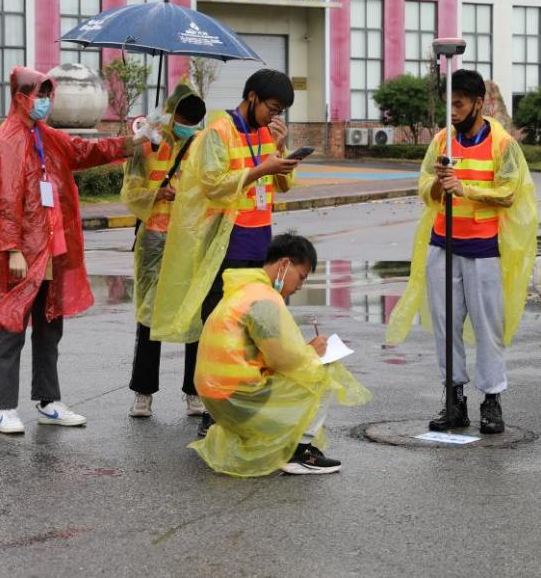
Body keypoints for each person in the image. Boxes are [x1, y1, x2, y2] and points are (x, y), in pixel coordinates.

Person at [0, 66, 144, 435]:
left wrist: (130, 141)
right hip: (23, 251)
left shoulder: (47, 137)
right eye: (39, 94)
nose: (44, 101)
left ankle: (48, 400)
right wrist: (12, 249)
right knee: (12, 324)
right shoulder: (3, 142)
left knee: (49, 323)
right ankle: (5, 407)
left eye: (47, 95)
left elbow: (85, 150)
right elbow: (3, 203)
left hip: (53, 248)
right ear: (20, 97)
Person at [387, 69, 539, 434]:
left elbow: (509, 192)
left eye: (459, 104)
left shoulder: (502, 144)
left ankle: (491, 400)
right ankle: (454, 401)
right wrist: (439, 186)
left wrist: (464, 188)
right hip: (444, 245)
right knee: (445, 326)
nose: (452, 111)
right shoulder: (442, 140)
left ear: (478, 103)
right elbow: (424, 183)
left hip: (484, 249)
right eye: (448, 104)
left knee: (489, 328)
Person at [151, 69, 301, 438]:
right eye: (272, 107)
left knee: (252, 332)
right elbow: (213, 186)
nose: (274, 116)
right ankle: (211, 410)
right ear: (251, 96)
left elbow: (282, 184)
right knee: (219, 330)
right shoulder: (218, 132)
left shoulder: (268, 134)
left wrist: (280, 154)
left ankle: (244, 406)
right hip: (226, 244)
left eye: (280, 111)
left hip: (260, 243)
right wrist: (259, 169)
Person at [189, 234, 370, 476]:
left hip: (214, 397)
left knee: (309, 365)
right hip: (237, 398)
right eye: (301, 277)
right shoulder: (264, 299)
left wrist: (304, 352)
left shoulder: (244, 289)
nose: (299, 286)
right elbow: (282, 360)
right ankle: (298, 451)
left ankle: (277, 442)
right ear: (284, 264)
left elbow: (268, 352)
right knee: (325, 370)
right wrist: (312, 353)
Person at [121, 80, 208, 418]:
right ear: (173, 117)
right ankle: (143, 392)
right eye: (185, 121)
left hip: (190, 239)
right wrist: (158, 194)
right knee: (149, 316)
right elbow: (130, 192)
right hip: (155, 240)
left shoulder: (202, 146)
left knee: (194, 314)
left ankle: (194, 392)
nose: (189, 129)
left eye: (194, 123)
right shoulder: (148, 145)